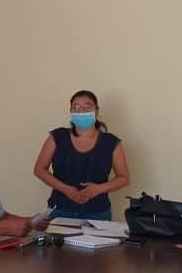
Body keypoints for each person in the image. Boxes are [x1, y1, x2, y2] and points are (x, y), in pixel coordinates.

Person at [33, 90, 130, 221]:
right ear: (71, 111)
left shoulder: (111, 142)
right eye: (76, 107)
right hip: (60, 210)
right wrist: (66, 189)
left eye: (87, 107)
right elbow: (39, 169)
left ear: (97, 111)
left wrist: (98, 189)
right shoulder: (57, 137)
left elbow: (124, 178)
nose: (81, 111)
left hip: (98, 213)